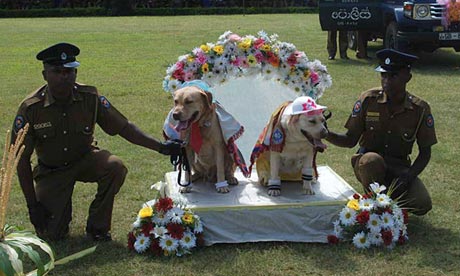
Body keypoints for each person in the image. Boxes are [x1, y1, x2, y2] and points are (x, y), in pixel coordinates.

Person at [12, 42, 182, 241]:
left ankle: (98, 227)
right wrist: (33, 206)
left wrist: (161, 147)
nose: (63, 76)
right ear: (45, 75)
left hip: (85, 159)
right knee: (52, 234)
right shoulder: (31, 108)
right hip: (52, 171)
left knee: (114, 167)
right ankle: (58, 213)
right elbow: (20, 160)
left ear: (75, 73)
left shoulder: (90, 97)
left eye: (69, 71)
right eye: (56, 71)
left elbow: (124, 127)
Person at [325, 49, 436, 216]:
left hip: (399, 168)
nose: (386, 81)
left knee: (422, 204)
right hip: (368, 163)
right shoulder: (369, 100)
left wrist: (408, 177)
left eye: (393, 76)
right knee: (371, 161)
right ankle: (375, 205)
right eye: (383, 75)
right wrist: (325, 133)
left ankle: (389, 201)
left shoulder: (419, 109)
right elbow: (349, 140)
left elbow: (425, 151)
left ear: (408, 77)